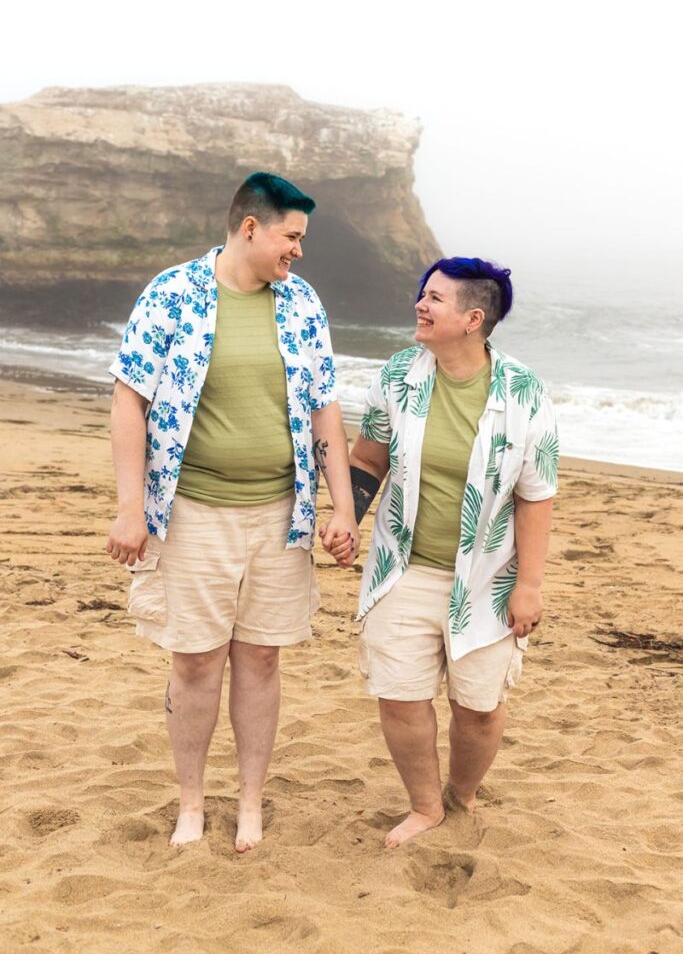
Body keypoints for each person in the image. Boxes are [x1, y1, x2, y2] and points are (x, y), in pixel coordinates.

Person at [106, 172, 359, 852]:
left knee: (262, 661)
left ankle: (248, 802)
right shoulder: (172, 293)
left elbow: (324, 408)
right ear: (250, 228)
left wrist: (342, 507)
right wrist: (130, 508)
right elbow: (130, 399)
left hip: (281, 517)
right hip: (191, 513)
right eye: (291, 236)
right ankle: (192, 803)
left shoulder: (301, 303)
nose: (298, 252)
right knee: (193, 663)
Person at [329, 257, 558, 848]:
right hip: (402, 568)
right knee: (401, 697)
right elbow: (367, 460)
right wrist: (346, 519)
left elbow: (536, 496)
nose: (420, 306)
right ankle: (426, 806)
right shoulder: (401, 373)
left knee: (478, 708)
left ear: (472, 319)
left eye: (434, 299)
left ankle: (464, 793)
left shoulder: (526, 392)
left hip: (487, 578)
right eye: (422, 295)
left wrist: (529, 586)